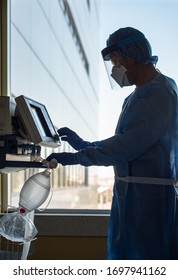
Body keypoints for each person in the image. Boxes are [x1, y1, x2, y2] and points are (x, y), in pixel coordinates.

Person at [47, 27, 178, 260]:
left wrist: (80, 157)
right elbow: (124, 141)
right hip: (130, 198)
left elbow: (127, 147)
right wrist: (84, 144)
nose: (115, 70)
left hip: (151, 202)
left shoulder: (162, 93)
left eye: (116, 63)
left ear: (131, 56)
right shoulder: (136, 96)